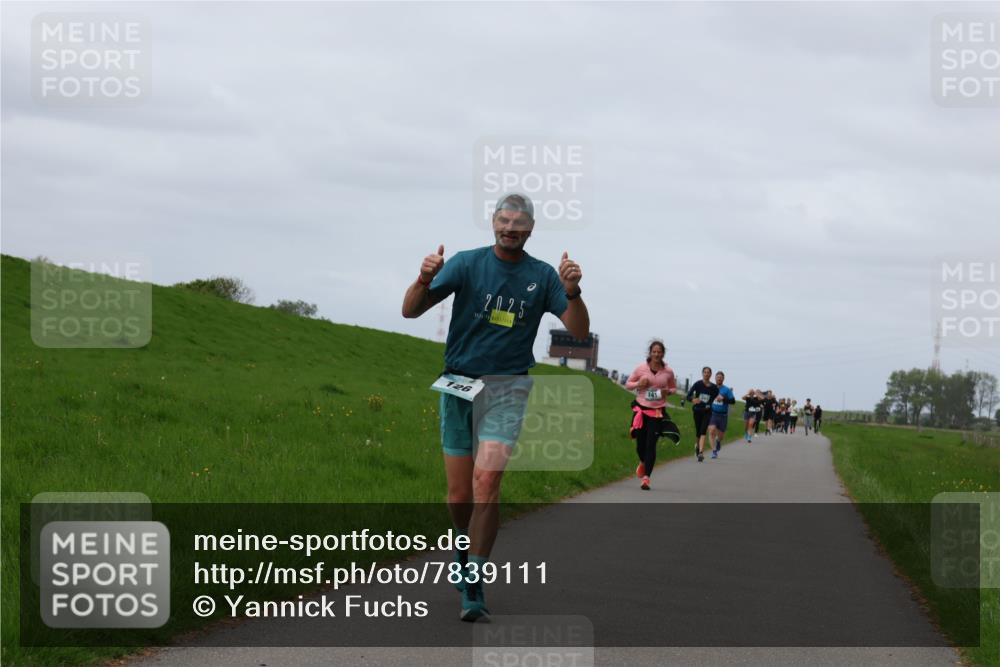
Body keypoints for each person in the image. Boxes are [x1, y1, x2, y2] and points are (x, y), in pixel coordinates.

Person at [401, 193, 589, 622]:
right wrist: (423, 278)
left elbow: (578, 330)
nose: (510, 229)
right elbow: (411, 311)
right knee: (459, 494)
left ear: (531, 229)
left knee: (488, 481)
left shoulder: (542, 276)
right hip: (458, 383)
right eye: (503, 221)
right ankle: (462, 546)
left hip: (508, 388)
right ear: (493, 222)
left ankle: (474, 579)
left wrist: (574, 292)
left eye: (518, 223)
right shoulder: (467, 264)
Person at [625, 340, 677, 490]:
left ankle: (646, 478)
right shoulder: (641, 368)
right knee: (640, 445)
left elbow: (673, 388)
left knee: (651, 445)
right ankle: (642, 462)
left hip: (657, 412)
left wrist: (668, 392)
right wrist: (638, 385)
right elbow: (628, 384)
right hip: (641, 410)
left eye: (659, 352)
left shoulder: (668, 372)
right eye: (654, 351)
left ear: (663, 354)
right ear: (650, 353)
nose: (656, 354)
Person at [685, 366, 718, 462]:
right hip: (697, 410)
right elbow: (688, 396)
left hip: (707, 412)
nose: (706, 374)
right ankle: (697, 446)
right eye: (705, 372)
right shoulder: (697, 384)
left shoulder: (714, 387)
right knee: (698, 431)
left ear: (711, 374)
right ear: (702, 373)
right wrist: (693, 399)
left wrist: (709, 404)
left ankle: (700, 453)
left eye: (708, 372)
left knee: (703, 430)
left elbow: (713, 397)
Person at [708, 371, 736, 458]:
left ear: (723, 379)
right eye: (717, 377)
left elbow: (733, 401)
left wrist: (723, 399)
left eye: (721, 377)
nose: (719, 378)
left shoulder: (726, 390)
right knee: (712, 430)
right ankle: (714, 451)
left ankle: (718, 441)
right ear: (715, 378)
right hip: (712, 413)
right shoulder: (711, 387)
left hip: (723, 415)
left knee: (721, 436)